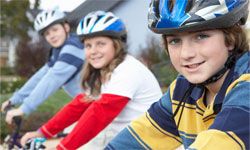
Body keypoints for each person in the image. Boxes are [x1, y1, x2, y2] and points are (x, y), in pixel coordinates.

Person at [106, 0, 250, 149]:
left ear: (231, 39)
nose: (186, 53)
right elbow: (134, 140)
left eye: (201, 36)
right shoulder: (182, 90)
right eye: (175, 41)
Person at [20, 11, 162, 149]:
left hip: (151, 143)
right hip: (128, 140)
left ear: (116, 44)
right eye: (88, 45)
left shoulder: (127, 70)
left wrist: (62, 147)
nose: (93, 51)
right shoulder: (104, 72)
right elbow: (79, 105)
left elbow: (99, 114)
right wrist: (42, 132)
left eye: (100, 44)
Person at [1, 9, 85, 125]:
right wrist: (14, 99)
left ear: (66, 27)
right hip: (89, 105)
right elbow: (40, 77)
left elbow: (53, 79)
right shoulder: (58, 51)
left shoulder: (73, 48)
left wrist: (24, 108)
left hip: (105, 109)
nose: (51, 36)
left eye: (55, 30)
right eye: (47, 33)